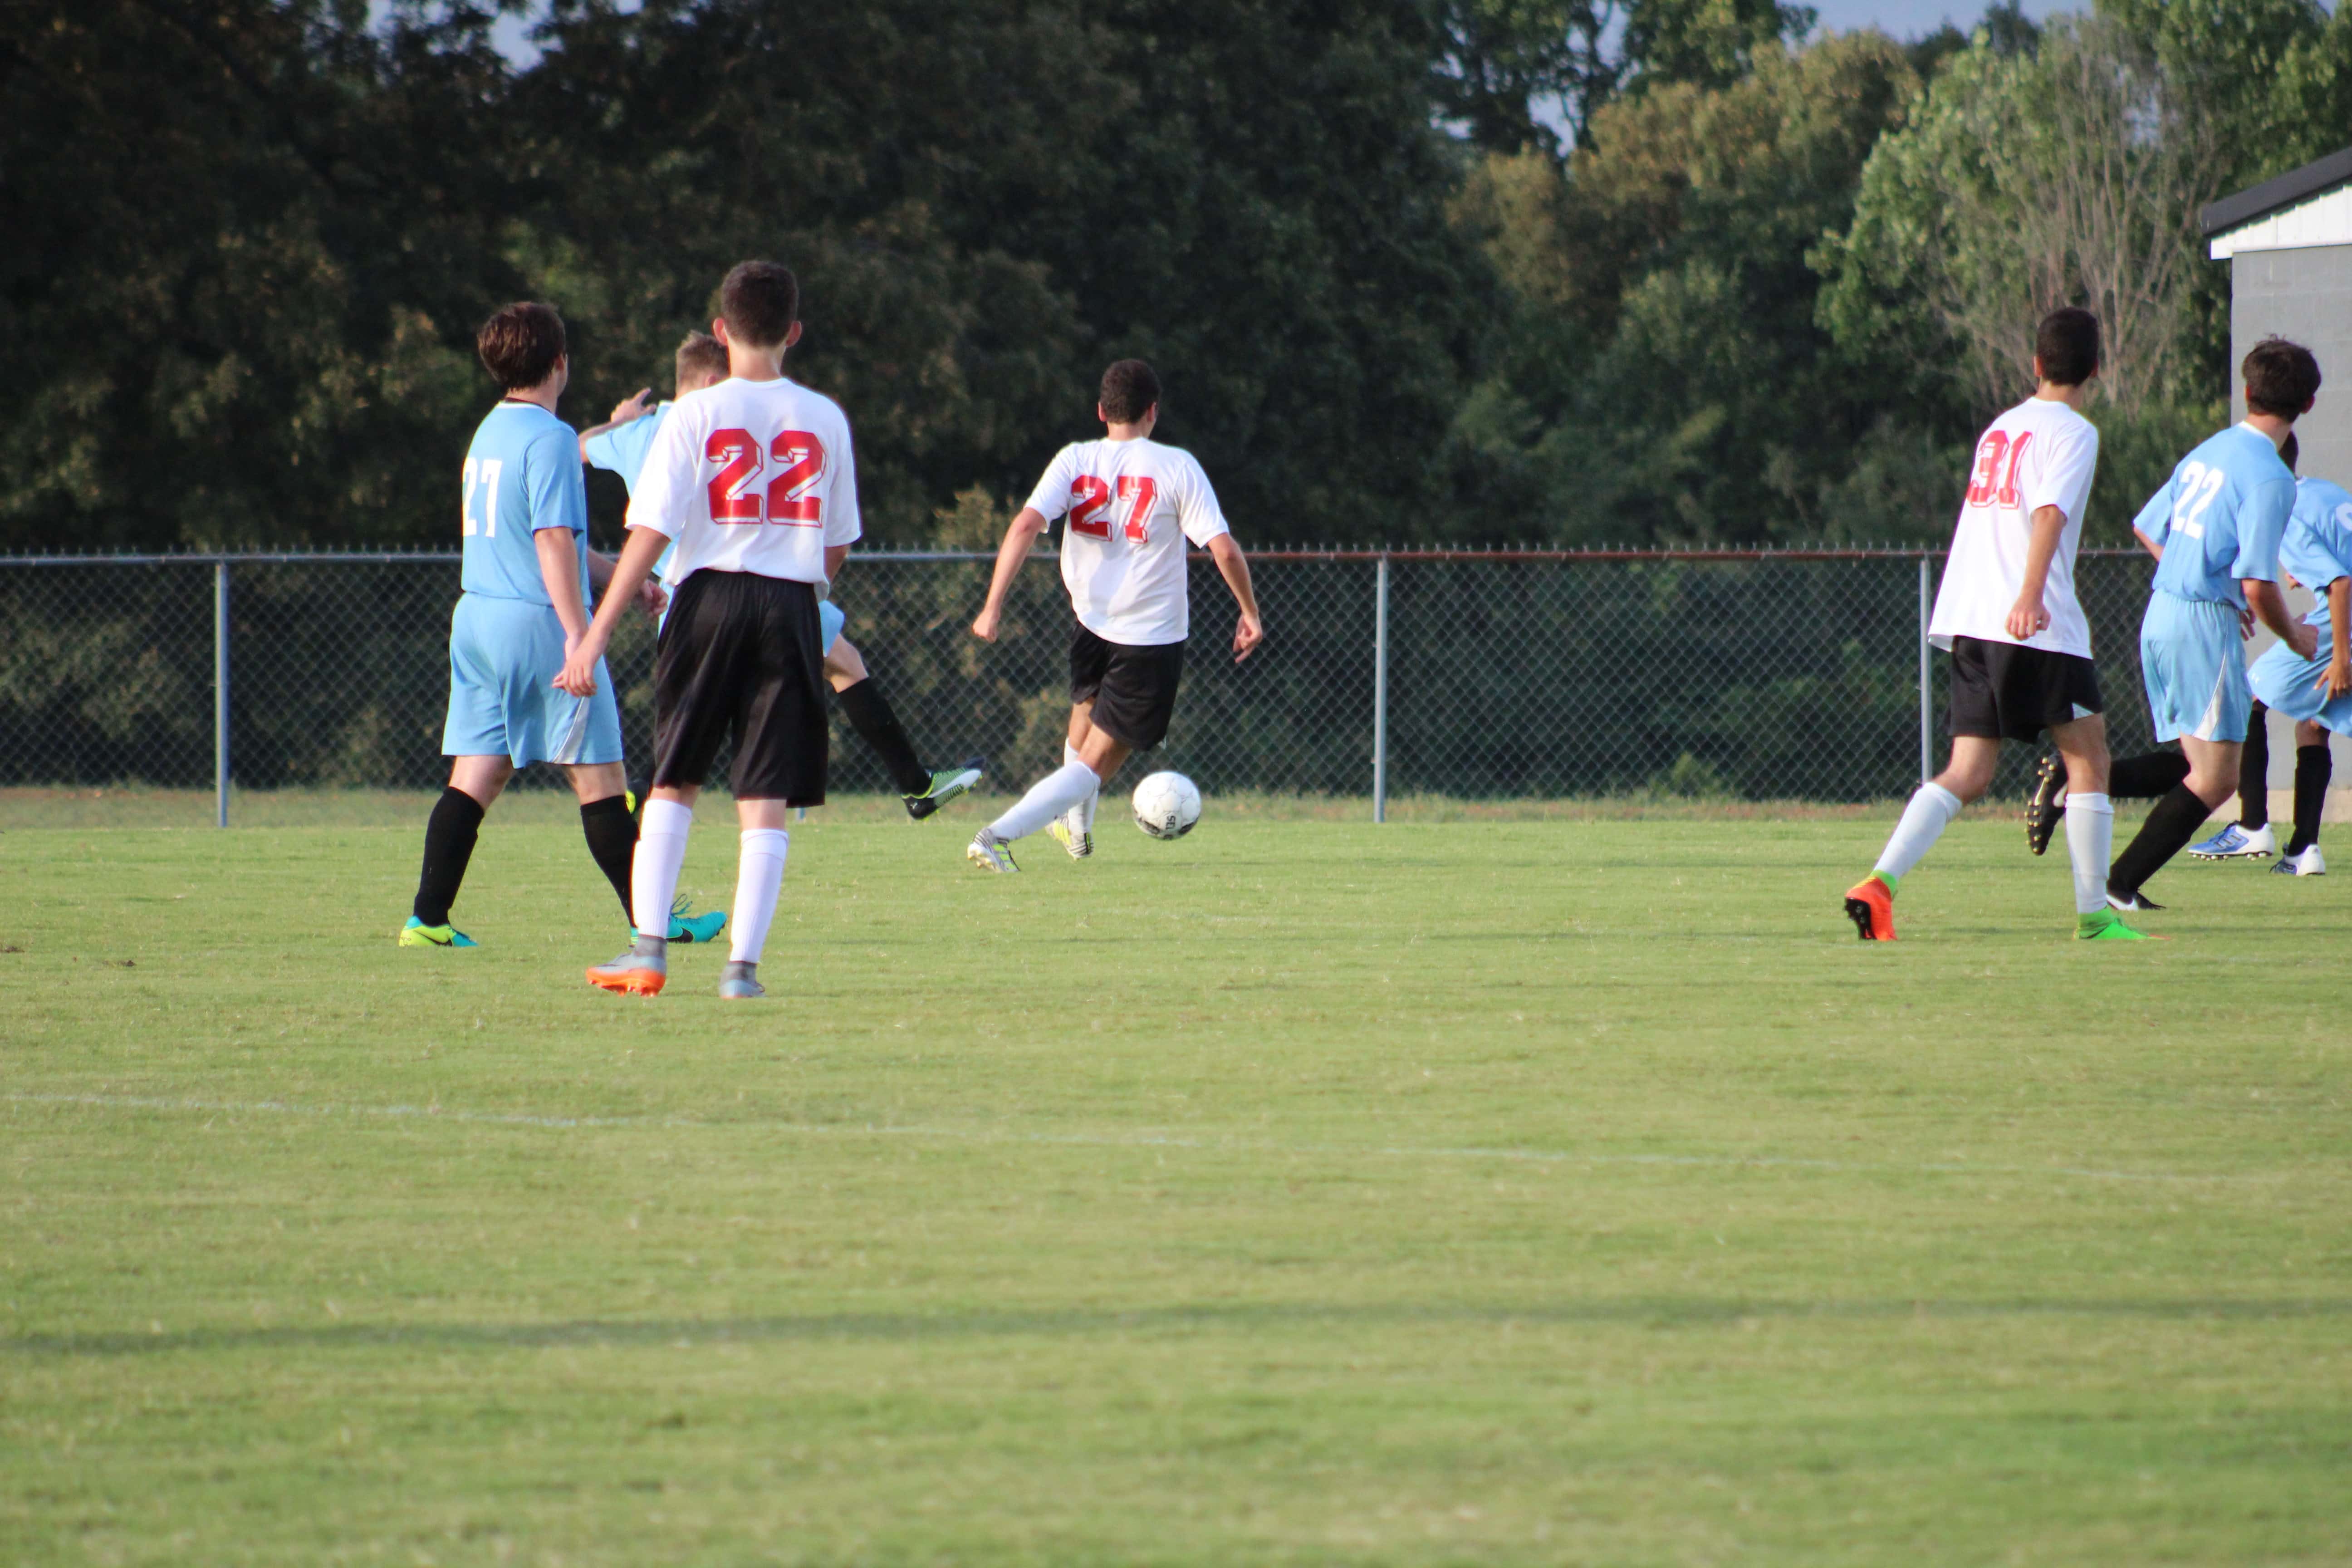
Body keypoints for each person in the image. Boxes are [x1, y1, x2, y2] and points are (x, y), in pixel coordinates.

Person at [557, 260, 856, 1000]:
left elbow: (651, 532)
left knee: (675, 779)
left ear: (721, 333)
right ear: (793, 332)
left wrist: (591, 640)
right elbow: (837, 542)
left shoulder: (690, 415)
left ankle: (649, 951)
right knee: (763, 795)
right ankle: (741, 971)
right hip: (789, 604)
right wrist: (798, 582)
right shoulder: (824, 418)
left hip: (707, 600)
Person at [400, 301, 722, 951]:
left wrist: (627, 585)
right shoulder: (548, 437)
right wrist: (581, 633)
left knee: (476, 776)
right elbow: (551, 541)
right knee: (601, 781)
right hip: (537, 624)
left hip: (478, 620)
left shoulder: (489, 431)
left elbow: (553, 544)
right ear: (560, 363)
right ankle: (654, 921)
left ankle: (427, 920)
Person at [581, 331, 982, 819]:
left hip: (680, 604)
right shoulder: (719, 418)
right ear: (711, 380)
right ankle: (915, 786)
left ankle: (642, 794)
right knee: (834, 673)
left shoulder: (637, 434)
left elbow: (577, 450)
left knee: (691, 723)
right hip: (757, 589)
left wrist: (615, 423)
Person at [1844, 308, 2144, 941]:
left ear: (2036, 365)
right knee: (2090, 759)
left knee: (1969, 773)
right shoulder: (2075, 432)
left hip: (1968, 619)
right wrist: (2032, 595)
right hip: (2030, 622)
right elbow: (2049, 515)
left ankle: (1881, 883)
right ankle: (2095, 918)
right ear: (2096, 367)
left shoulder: (2000, 429)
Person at [963, 360, 1262, 872]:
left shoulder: (1074, 459)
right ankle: (996, 836)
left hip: (1089, 624)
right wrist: (1249, 612)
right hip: (1149, 639)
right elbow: (1225, 550)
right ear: (1154, 412)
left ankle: (1075, 829)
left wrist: (992, 606)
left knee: (1081, 736)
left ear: (1102, 411)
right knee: (1095, 764)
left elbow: (1023, 526)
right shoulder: (1176, 465)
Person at [2099, 338, 2321, 913]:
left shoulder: (2210, 449)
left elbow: (2150, 528)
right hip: (2201, 623)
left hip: (2163, 609)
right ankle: (2119, 885)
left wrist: (2200, 574)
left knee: (2198, 765)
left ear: (2247, 392)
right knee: (2219, 778)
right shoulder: (2271, 477)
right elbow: (2258, 584)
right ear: (2310, 405)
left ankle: (2083, 791)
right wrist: (2297, 638)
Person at [2226, 445, 2351, 876]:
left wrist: (2340, 656)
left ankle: (2251, 826)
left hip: (2344, 626)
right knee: (2315, 721)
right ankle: (2303, 850)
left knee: (2248, 696)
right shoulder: (2325, 492)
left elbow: (2339, 582)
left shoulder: (2285, 509)